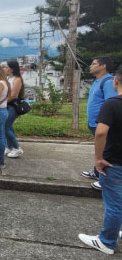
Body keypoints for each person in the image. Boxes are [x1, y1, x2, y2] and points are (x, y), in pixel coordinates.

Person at [78, 65, 122, 255]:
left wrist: (98, 159)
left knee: (114, 204)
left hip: (114, 161)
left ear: (116, 81)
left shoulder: (112, 104)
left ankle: (107, 241)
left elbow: (101, 132)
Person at [81, 57, 118, 190]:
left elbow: (111, 104)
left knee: (107, 151)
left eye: (94, 63)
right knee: (101, 149)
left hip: (103, 124)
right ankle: (96, 172)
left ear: (103, 66)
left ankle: (105, 180)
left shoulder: (108, 82)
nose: (90, 66)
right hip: (94, 123)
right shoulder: (97, 81)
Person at [4, 60, 25, 158]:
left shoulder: (17, 79)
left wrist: (1, 102)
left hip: (13, 106)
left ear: (12, 69)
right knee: (8, 127)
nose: (5, 69)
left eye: (6, 67)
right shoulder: (8, 78)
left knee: (5, 127)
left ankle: (17, 148)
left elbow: (14, 95)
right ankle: (9, 146)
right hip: (7, 105)